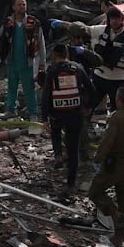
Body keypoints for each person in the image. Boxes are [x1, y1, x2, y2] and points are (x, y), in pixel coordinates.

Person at [88, 85, 124, 247]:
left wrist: (99, 157)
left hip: (114, 165)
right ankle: (119, 237)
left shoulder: (116, 117)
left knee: (95, 191)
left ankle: (114, 213)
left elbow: (108, 141)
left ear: (118, 100)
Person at [40, 43, 96, 191]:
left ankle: (58, 154)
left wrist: (44, 118)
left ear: (54, 55)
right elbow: (91, 88)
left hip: (57, 114)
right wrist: (88, 106)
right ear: (67, 55)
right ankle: (71, 183)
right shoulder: (77, 68)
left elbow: (46, 96)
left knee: (55, 133)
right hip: (75, 114)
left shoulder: (52, 71)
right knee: (73, 149)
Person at [0, 0, 46, 119]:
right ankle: (11, 110)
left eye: (23, 4)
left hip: (27, 62)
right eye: (19, 5)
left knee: (29, 89)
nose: (22, 7)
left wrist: (42, 62)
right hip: (12, 61)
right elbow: (0, 40)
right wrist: (2, 57)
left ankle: (33, 113)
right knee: (12, 87)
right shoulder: (8, 23)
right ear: (13, 7)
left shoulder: (33, 23)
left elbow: (41, 43)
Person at [92, 7, 124, 113]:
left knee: (119, 109)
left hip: (119, 78)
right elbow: (85, 29)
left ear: (122, 19)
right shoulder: (103, 30)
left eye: (117, 18)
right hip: (100, 75)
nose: (114, 21)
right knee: (89, 105)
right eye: (111, 18)